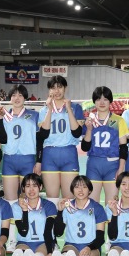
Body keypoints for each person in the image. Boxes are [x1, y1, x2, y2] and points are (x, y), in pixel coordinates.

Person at [0, 85, 40, 252]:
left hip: (28, 159)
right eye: (13, 95)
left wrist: (38, 161)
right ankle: (12, 239)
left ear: (25, 98)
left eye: (20, 95)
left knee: (28, 199)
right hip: (10, 160)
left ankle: (29, 237)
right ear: (10, 98)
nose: (17, 98)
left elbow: (40, 140)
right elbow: (2, 139)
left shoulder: (34, 115)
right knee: (11, 201)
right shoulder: (4, 115)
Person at [48, 175, 108, 256]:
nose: (80, 190)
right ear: (72, 190)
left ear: (90, 190)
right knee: (68, 255)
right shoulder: (67, 207)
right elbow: (58, 233)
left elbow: (100, 238)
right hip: (71, 245)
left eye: (84, 187)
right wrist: (60, 212)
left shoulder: (97, 208)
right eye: (77, 187)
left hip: (92, 246)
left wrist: (89, 247)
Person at [38, 76, 85, 208]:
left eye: (60, 87)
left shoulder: (76, 107)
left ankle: (68, 222)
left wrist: (68, 109)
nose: (57, 90)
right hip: (49, 155)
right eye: (53, 88)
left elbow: (77, 133)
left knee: (68, 200)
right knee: (52, 199)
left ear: (65, 88)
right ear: (49, 90)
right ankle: (53, 222)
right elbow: (43, 134)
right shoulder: (43, 110)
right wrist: (49, 109)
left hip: (69, 153)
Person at [81, 86, 129, 205]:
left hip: (112, 166)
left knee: (112, 205)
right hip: (94, 165)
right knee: (92, 205)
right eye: (98, 99)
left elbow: (123, 147)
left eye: (105, 99)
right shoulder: (89, 121)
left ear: (110, 101)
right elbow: (84, 147)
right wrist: (89, 129)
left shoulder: (119, 121)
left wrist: (121, 168)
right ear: (94, 101)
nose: (102, 102)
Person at [9, 173, 58, 256]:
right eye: (27, 186)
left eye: (35, 185)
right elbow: (23, 232)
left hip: (43, 242)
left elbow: (48, 231)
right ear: (23, 188)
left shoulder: (49, 205)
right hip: (24, 242)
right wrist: (25, 210)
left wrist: (50, 251)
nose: (31, 189)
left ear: (40, 187)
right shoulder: (16, 206)